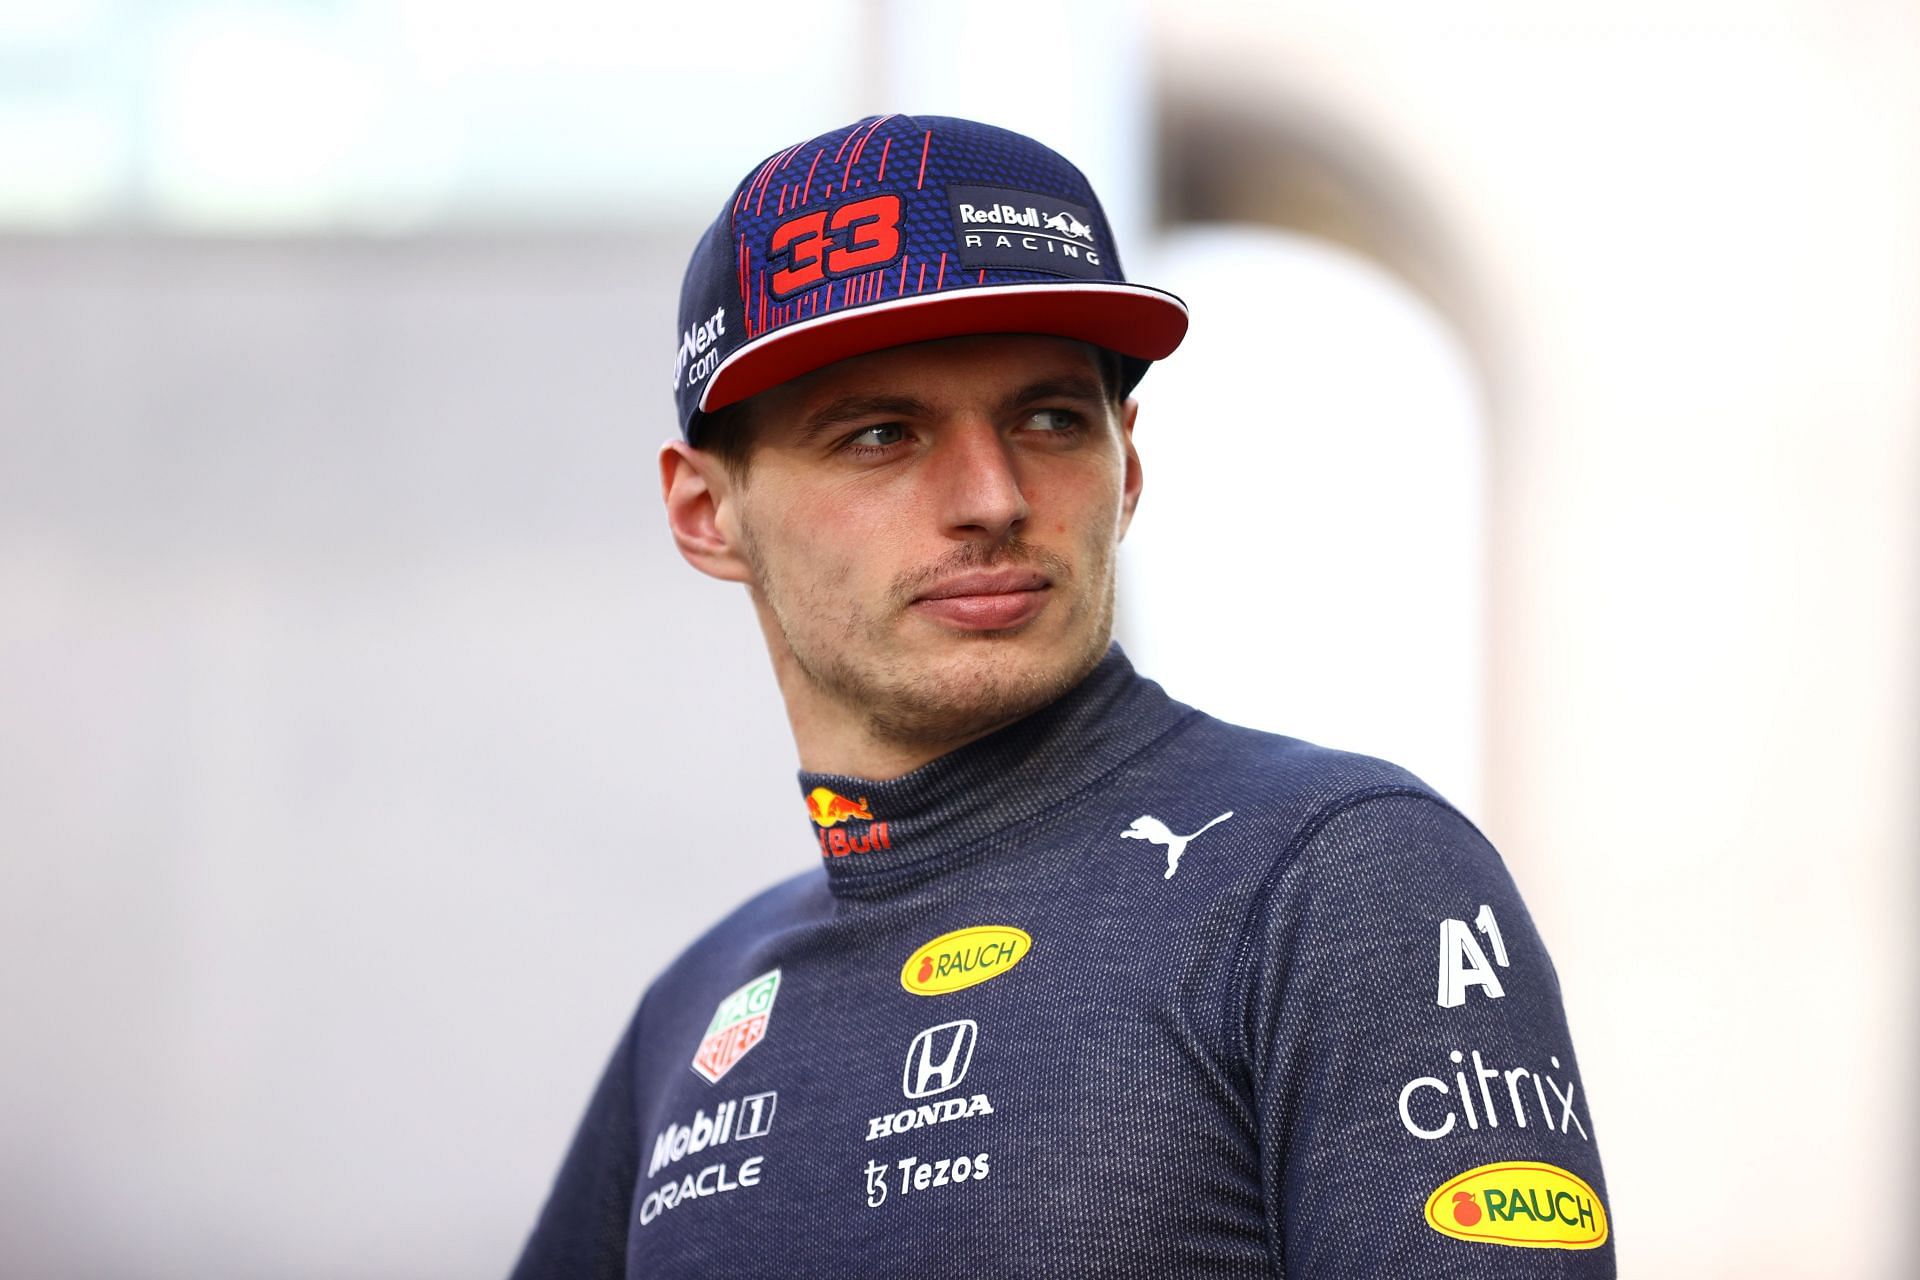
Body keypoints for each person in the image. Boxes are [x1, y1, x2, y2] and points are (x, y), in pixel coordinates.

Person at [511, 113, 1613, 1278]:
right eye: (882, 434)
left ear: (1126, 468)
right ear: (704, 511)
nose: (991, 496)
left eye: (1049, 419)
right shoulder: (697, 1006)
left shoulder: (1342, 877)